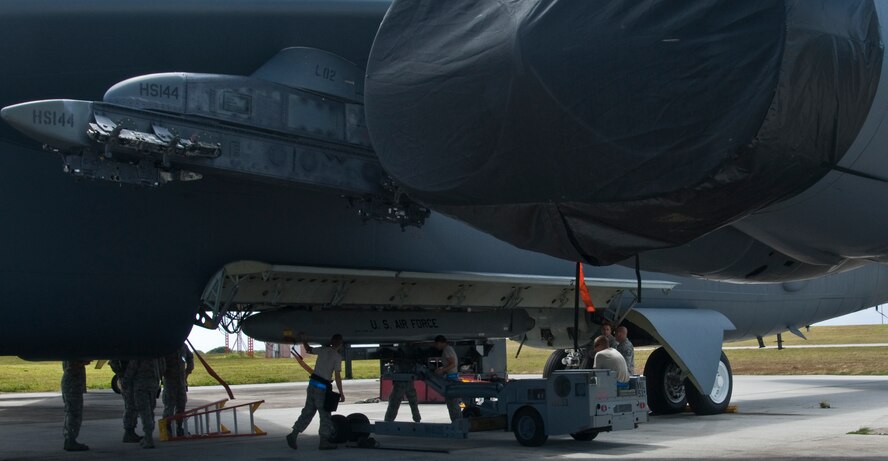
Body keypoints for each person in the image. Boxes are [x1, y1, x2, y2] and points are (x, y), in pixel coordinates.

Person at [286, 334, 345, 451]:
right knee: (325, 415)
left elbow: (308, 350)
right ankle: (324, 441)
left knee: (308, 411)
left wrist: (303, 341)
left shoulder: (322, 350)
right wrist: (341, 393)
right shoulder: (337, 357)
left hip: (312, 384)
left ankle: (294, 434)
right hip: (322, 388)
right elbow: (337, 376)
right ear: (341, 344)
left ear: (331, 342)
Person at [124, 358, 164, 449]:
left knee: (144, 412)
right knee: (150, 411)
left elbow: (132, 369)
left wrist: (125, 382)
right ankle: (148, 436)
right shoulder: (157, 353)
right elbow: (162, 367)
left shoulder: (140, 353)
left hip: (141, 386)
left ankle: (149, 439)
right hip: (153, 385)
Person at [162, 343, 195, 437]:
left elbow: (190, 357)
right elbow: (160, 362)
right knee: (169, 406)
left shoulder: (183, 346)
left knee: (181, 405)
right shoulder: (166, 347)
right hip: (169, 381)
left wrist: (188, 370)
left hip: (181, 381)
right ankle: (166, 429)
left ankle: (179, 428)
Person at [383, 347, 421, 423]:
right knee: (413, 402)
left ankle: (388, 421)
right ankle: (417, 419)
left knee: (394, 402)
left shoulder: (399, 356)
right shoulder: (411, 355)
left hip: (400, 382)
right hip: (409, 381)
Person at [109, 359, 141, 443]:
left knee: (132, 405)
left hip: (130, 378)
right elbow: (113, 362)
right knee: (130, 405)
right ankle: (129, 432)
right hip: (127, 379)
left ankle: (131, 431)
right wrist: (123, 376)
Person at [61, 360, 90, 451]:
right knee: (74, 412)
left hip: (71, 383)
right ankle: (70, 440)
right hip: (73, 385)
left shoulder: (67, 353)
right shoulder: (72, 355)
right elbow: (73, 364)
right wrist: (83, 361)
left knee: (71, 411)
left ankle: (69, 439)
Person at [433, 335, 461, 422]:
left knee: (452, 403)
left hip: (451, 379)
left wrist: (442, 370)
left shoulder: (447, 350)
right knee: (453, 403)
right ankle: (458, 422)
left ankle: (456, 422)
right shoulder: (449, 349)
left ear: (440, 343)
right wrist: (442, 369)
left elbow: (453, 364)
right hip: (452, 377)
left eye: (436, 344)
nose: (436, 347)